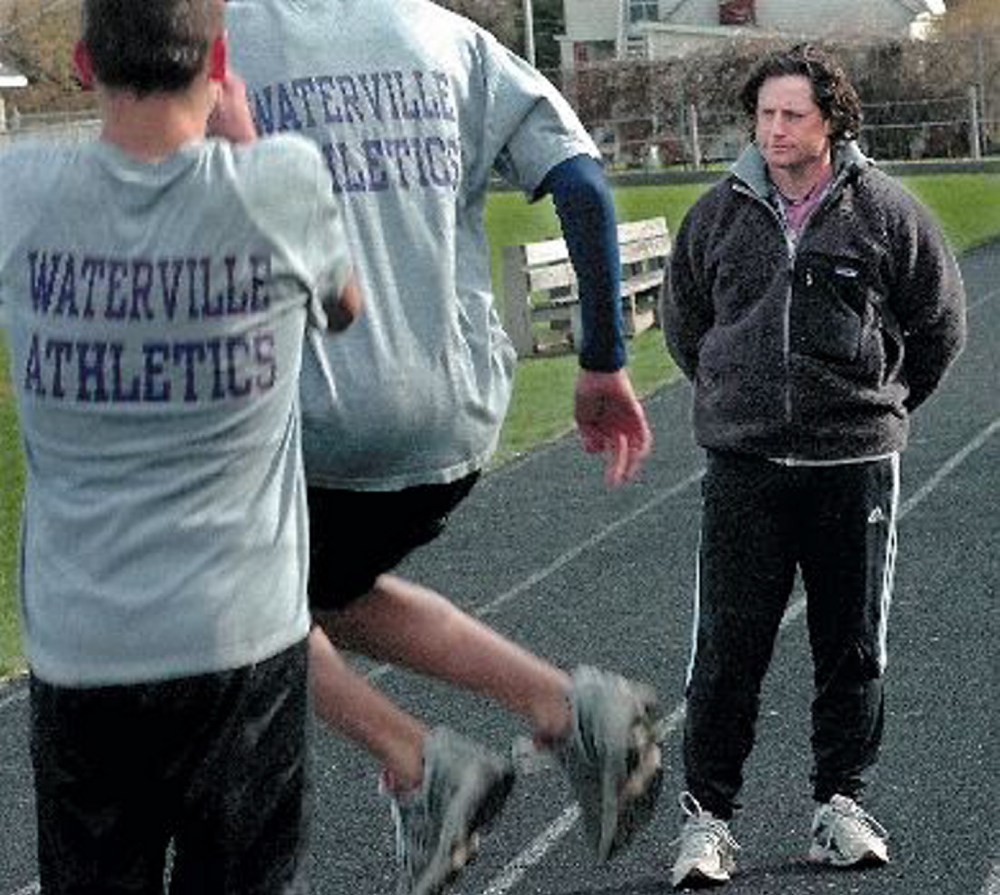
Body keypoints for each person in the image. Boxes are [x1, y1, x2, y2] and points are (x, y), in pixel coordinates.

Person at [223, 2, 663, 893]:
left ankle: (422, 762)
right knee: (328, 594)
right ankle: (568, 706)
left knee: (220, 601)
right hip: (454, 411)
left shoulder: (223, 31)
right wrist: (604, 359)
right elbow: (580, 183)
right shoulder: (451, 39)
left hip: (315, 414)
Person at [0, 1, 361, 891]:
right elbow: (346, 307)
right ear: (220, 57)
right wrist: (244, 145)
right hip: (240, 636)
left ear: (83, 63)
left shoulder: (18, 191)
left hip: (83, 644)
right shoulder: (283, 182)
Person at [660, 43, 966, 889]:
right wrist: (739, 399)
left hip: (854, 465)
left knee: (853, 644)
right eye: (765, 115)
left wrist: (880, 405)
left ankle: (841, 803)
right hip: (746, 465)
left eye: (793, 114)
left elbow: (938, 325)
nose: (776, 129)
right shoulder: (718, 215)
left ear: (832, 120)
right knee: (726, 648)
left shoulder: (886, 214)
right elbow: (685, 325)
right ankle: (709, 821)